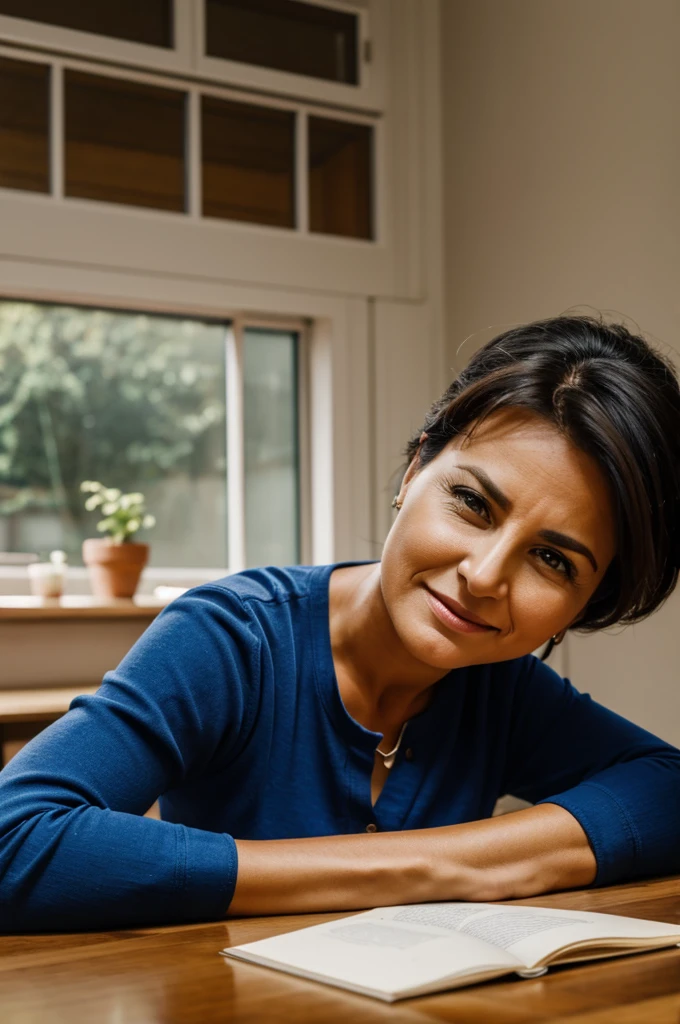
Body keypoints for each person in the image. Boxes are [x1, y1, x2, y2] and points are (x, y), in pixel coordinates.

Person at [1, 314, 679, 932]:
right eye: (472, 503)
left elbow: (668, 787)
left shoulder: (504, 688)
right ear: (414, 472)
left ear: (585, 603)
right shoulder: (234, 640)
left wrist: (471, 861)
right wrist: (428, 868)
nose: (484, 576)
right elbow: (15, 837)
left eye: (553, 560)